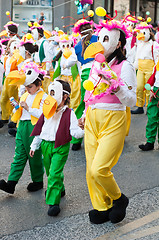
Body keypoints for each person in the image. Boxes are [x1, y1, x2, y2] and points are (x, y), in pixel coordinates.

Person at [79, 19, 136, 224]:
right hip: (93, 118)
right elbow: (90, 92)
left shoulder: (125, 66)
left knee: (99, 168)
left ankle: (119, 198)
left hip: (113, 119)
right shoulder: (96, 63)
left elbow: (132, 100)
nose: (101, 42)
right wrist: (85, 114)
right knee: (90, 171)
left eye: (106, 38)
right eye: (100, 37)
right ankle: (101, 207)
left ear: (118, 43)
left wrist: (117, 87)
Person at [29, 80, 84, 216]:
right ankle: (60, 188)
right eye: (50, 93)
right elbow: (40, 128)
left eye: (54, 93)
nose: (51, 96)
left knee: (54, 173)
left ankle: (53, 203)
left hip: (60, 146)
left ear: (64, 96)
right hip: (46, 145)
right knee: (49, 171)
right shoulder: (46, 111)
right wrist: (34, 145)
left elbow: (74, 131)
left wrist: (84, 129)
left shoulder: (69, 113)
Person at [0, 62, 47, 194]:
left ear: (39, 84)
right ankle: (11, 183)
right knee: (19, 155)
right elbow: (22, 111)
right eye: (26, 86)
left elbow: (44, 115)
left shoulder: (43, 97)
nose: (27, 88)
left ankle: (38, 181)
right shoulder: (26, 94)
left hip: (34, 127)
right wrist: (16, 107)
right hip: (22, 126)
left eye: (30, 86)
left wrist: (29, 109)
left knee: (35, 156)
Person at [71, 19, 98, 151]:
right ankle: (96, 137)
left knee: (83, 103)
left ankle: (77, 138)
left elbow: (72, 62)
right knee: (98, 104)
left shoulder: (77, 46)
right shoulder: (98, 39)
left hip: (85, 75)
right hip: (99, 73)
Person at [139, 55, 159, 151]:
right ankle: (150, 142)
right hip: (155, 92)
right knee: (152, 117)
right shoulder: (157, 63)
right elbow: (154, 76)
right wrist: (151, 89)